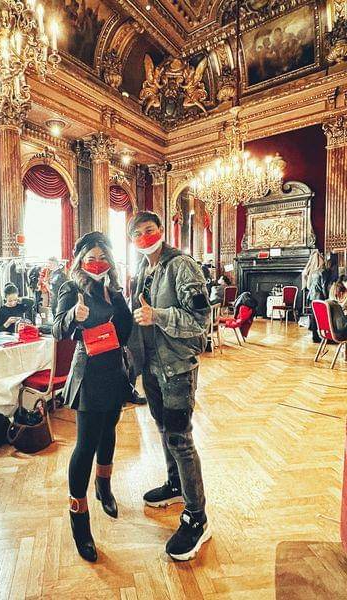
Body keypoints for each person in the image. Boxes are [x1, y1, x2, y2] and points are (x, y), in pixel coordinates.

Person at [128, 211, 211, 561]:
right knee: (163, 430)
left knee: (180, 438)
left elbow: (201, 320)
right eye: (137, 234)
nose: (144, 238)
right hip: (152, 368)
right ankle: (175, 484)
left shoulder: (182, 266)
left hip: (176, 368)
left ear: (161, 231)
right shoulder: (144, 269)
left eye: (149, 230)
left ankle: (197, 517)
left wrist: (157, 316)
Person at [53, 232, 133, 563]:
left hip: (114, 371)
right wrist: (74, 316)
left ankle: (104, 486)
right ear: (81, 260)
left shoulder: (113, 288)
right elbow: (57, 328)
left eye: (103, 257)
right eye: (91, 257)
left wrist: (124, 307)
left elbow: (125, 330)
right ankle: (80, 522)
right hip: (88, 374)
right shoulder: (71, 287)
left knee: (109, 431)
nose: (97, 262)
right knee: (85, 445)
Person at [308, 256, 331, 343]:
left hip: (312, 295)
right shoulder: (323, 272)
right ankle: (325, 335)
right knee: (321, 316)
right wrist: (326, 297)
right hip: (319, 296)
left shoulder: (314, 272)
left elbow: (310, 285)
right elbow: (323, 286)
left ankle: (315, 335)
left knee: (314, 316)